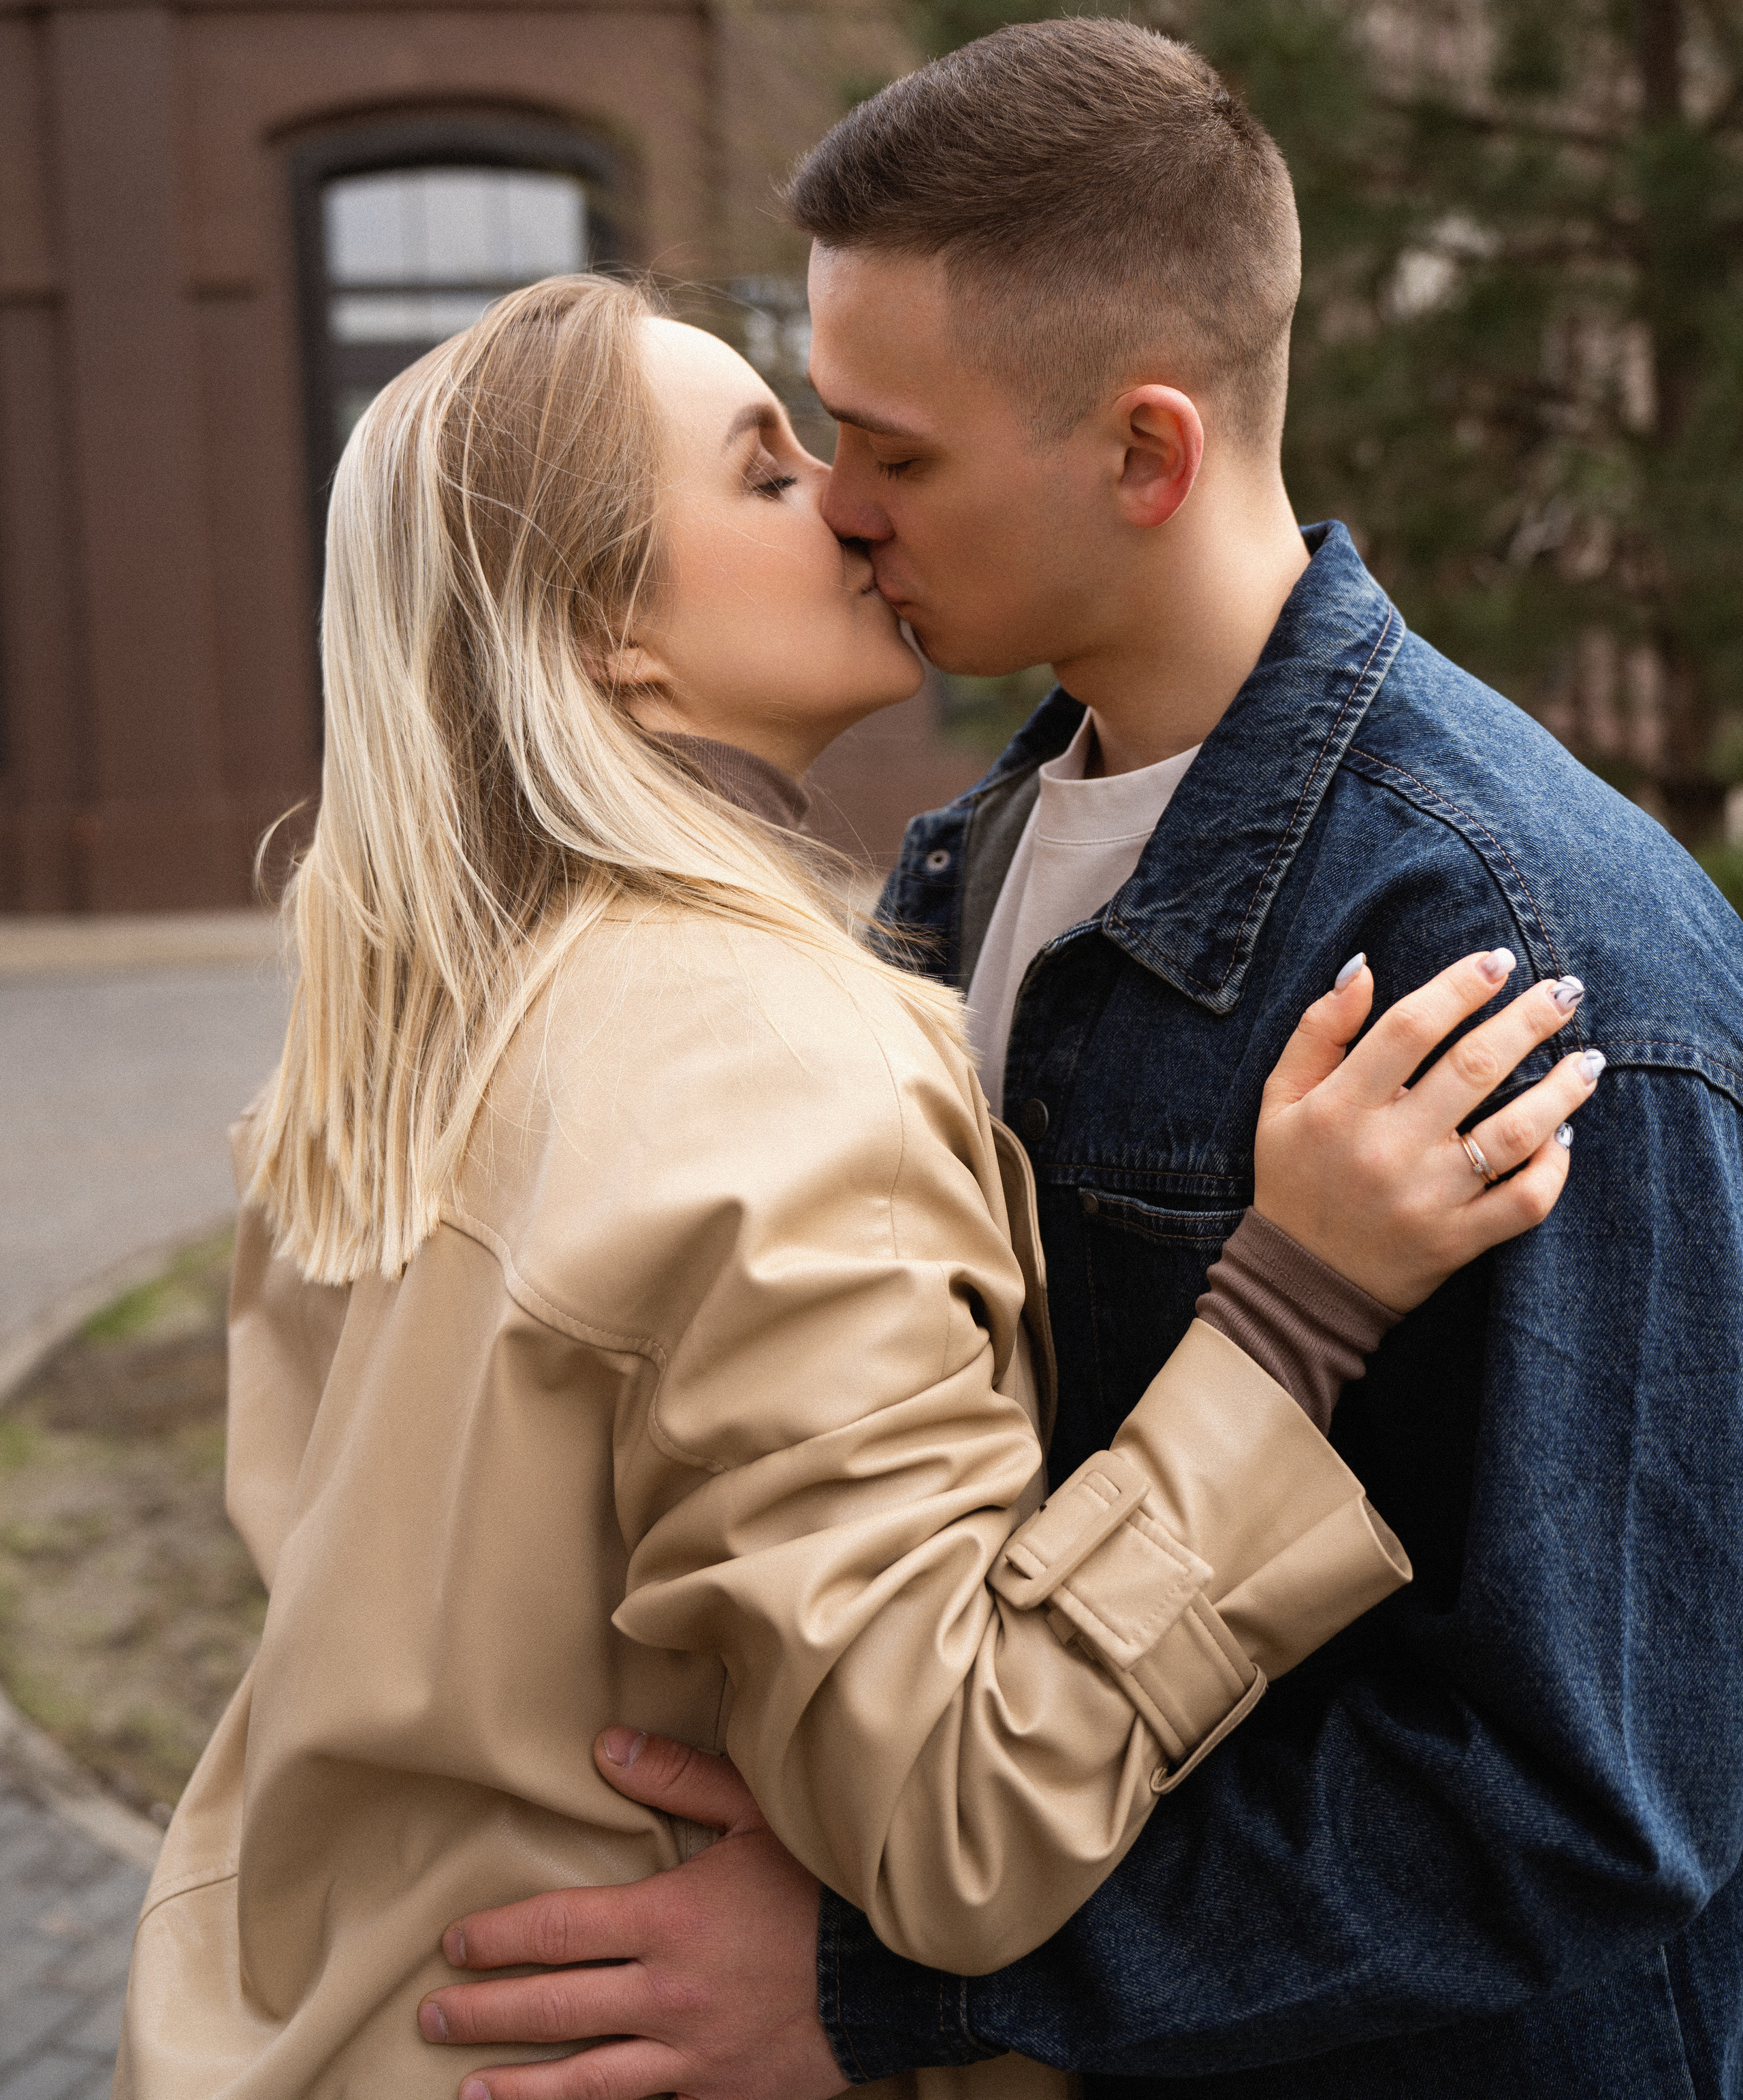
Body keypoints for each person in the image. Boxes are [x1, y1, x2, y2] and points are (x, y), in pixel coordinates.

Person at [431, 22, 1743, 2100]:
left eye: (896, 453)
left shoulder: (1517, 953)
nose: (845, 514)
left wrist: (897, 1991)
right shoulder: (966, 878)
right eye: (817, 440)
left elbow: (1587, 1805)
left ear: (1145, 453)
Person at [112, 268, 1590, 2100]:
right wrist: (1296, 1303)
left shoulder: (394, 1051)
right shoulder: (767, 1056)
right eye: (759, 470)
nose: (846, 499)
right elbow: (963, 1815)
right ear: (606, 636)